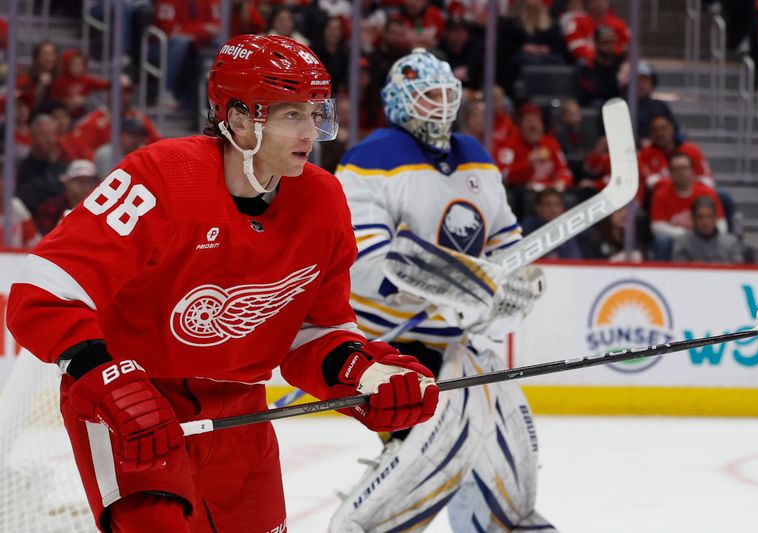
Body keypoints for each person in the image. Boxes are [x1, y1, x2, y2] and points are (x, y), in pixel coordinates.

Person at [7, 34, 439, 533]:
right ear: (236, 119)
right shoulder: (162, 177)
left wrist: (366, 374)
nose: (310, 130)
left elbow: (314, 334)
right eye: (290, 115)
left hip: (241, 412)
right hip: (132, 407)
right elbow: (42, 291)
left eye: (314, 111)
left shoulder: (324, 202)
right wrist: (110, 381)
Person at [331, 48, 556, 532]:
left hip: (467, 348)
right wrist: (459, 286)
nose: (441, 105)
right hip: (392, 351)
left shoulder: (476, 156)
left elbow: (505, 246)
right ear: (399, 101)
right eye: (428, 95)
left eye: (446, 95)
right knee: (410, 485)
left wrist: (515, 291)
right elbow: (366, 267)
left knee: (501, 485)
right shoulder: (369, 159)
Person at [34, 159, 101, 235]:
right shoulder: (50, 209)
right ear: (67, 183)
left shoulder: (102, 211)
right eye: (79, 181)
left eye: (89, 182)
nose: (84, 186)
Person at [672, 196, 744, 264]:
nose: (705, 222)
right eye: (700, 217)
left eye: (709, 216)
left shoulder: (731, 243)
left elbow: (738, 271)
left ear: (715, 218)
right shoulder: (682, 242)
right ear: (693, 219)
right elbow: (679, 271)